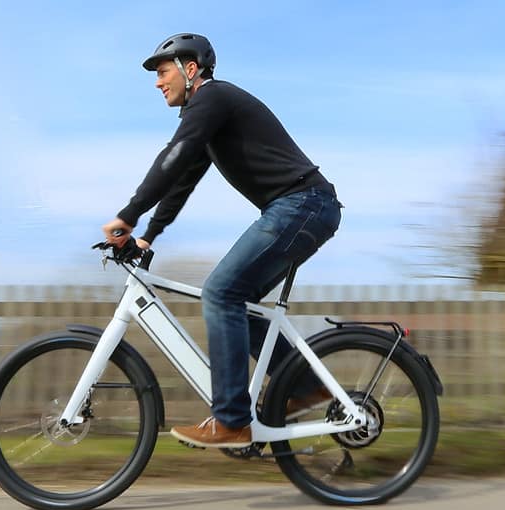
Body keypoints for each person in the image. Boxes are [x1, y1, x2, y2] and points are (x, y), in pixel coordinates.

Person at [102, 33, 341, 448]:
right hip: (299, 208)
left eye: (162, 72)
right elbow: (180, 179)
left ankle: (231, 420)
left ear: (190, 69)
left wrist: (128, 214)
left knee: (221, 292)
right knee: (238, 303)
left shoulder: (212, 99)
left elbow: (174, 156)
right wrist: (148, 234)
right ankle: (304, 385)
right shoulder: (207, 115)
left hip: (302, 205)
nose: (158, 83)